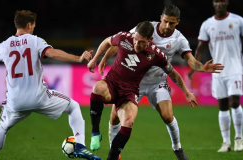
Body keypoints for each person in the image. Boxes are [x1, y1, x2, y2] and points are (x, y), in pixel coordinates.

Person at [88, 4, 224, 160]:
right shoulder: (146, 28)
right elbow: (119, 42)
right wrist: (104, 58)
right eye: (165, 21)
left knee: (167, 116)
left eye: (171, 23)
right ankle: (115, 153)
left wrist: (201, 69)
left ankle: (177, 148)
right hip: (134, 82)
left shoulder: (178, 40)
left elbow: (190, 62)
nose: (167, 26)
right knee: (115, 117)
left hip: (157, 81)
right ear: (161, 18)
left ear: (177, 22)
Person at [0, 10, 101, 160]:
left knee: (2, 128)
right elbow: (52, 53)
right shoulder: (34, 40)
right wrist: (78, 58)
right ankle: (81, 146)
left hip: (15, 102)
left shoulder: (3, 46)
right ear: (29, 25)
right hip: (39, 97)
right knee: (73, 107)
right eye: (33, 26)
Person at [188, 0, 243, 152]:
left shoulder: (238, 21)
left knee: (234, 102)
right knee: (223, 106)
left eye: (222, 0)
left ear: (227, 2)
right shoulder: (207, 24)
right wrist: (194, 67)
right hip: (217, 71)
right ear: (213, 3)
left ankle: (239, 138)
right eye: (216, 1)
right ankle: (226, 143)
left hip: (235, 68)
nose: (219, 3)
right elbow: (201, 47)